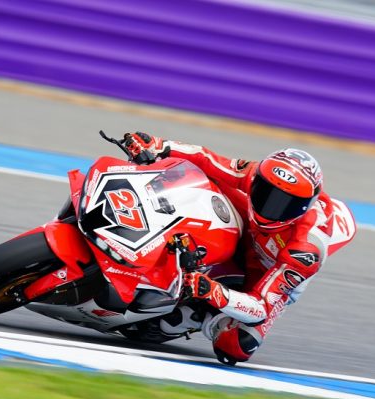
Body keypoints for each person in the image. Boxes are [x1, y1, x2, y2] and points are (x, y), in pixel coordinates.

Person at [124, 132, 352, 365]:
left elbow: (260, 307)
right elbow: (208, 159)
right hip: (250, 229)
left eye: (286, 204)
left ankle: (198, 316)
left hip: (271, 269)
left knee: (236, 346)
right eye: (265, 193)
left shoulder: (304, 252)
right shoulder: (255, 174)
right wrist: (159, 146)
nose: (270, 208)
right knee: (201, 176)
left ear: (305, 207)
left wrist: (212, 291)